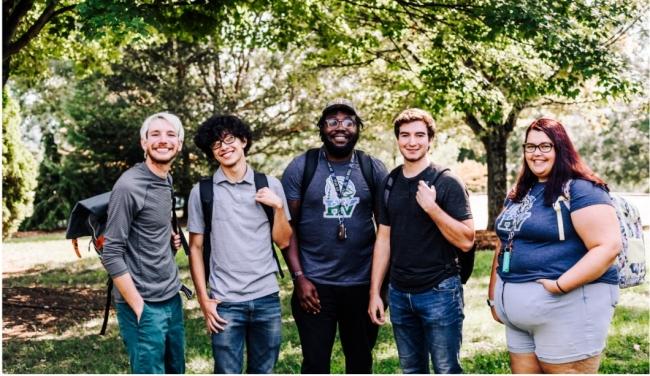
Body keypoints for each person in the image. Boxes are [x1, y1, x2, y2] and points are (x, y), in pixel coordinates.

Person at [488, 118, 621, 374]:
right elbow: (504, 241)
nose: (536, 153)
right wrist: (495, 298)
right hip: (519, 318)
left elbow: (607, 246)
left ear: (561, 149)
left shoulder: (583, 189)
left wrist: (560, 286)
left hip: (568, 309)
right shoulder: (520, 191)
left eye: (545, 146)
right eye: (530, 146)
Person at [281, 98, 388, 373]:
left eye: (348, 122)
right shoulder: (301, 167)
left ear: (358, 128)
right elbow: (286, 228)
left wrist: (378, 287)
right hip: (315, 286)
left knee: (361, 363)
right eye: (332, 121)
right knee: (315, 364)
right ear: (321, 129)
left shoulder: (371, 167)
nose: (340, 127)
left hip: (362, 284)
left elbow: (385, 230)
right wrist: (299, 278)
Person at [368, 108, 474, 374]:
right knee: (411, 369)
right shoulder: (390, 182)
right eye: (405, 135)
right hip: (400, 293)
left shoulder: (447, 182)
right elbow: (384, 238)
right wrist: (375, 293)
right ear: (397, 139)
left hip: (439, 291)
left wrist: (433, 208)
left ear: (430, 140)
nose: (411, 141)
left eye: (419, 135)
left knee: (446, 369)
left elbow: (466, 240)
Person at [187, 114, 292, 374]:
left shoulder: (269, 184)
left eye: (229, 139)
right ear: (212, 153)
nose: (224, 147)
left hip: (266, 297)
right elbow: (195, 249)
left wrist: (278, 208)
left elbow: (283, 240)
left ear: (243, 141)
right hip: (224, 302)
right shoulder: (202, 192)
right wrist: (204, 300)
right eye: (216, 144)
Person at [101, 112, 186, 374]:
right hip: (143, 303)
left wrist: (169, 242)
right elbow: (111, 252)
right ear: (144, 143)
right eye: (155, 134)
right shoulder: (128, 186)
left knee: (176, 370)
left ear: (179, 145)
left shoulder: (166, 179)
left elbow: (146, 231)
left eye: (171, 135)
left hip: (171, 297)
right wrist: (139, 307)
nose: (163, 140)